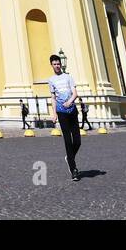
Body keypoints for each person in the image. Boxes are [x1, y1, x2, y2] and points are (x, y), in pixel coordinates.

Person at [47, 53, 81, 181]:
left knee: (77, 140)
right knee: (67, 140)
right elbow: (53, 97)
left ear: (60, 64)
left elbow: (75, 93)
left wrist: (70, 101)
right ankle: (74, 169)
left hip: (72, 109)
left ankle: (69, 157)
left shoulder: (68, 77)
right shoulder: (51, 80)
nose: (57, 66)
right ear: (51, 65)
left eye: (58, 64)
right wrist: (54, 113)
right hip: (61, 112)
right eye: (54, 64)